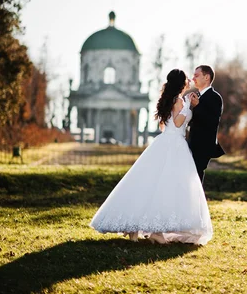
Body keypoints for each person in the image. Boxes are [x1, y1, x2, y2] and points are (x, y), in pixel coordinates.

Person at [89, 69, 212, 245]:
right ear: (181, 83)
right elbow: (178, 123)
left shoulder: (167, 100)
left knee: (147, 184)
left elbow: (164, 126)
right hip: (175, 145)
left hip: (164, 142)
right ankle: (155, 232)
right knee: (167, 186)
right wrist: (189, 108)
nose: (189, 82)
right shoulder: (178, 101)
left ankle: (135, 228)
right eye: (186, 80)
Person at [188, 65, 225, 184]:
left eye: (196, 75)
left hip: (203, 145)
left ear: (206, 77)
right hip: (193, 144)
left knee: (196, 177)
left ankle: (196, 202)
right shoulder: (197, 96)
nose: (193, 78)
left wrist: (197, 106)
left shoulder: (215, 97)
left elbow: (212, 122)